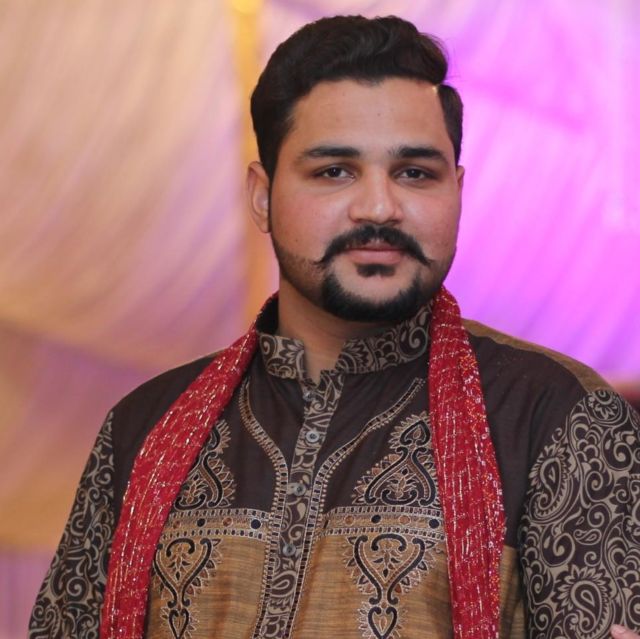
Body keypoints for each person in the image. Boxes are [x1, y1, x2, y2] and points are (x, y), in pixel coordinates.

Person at [29, 14, 640, 639]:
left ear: (457, 191)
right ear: (262, 197)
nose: (379, 207)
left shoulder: (556, 417)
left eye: (415, 173)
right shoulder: (142, 430)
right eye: (334, 171)